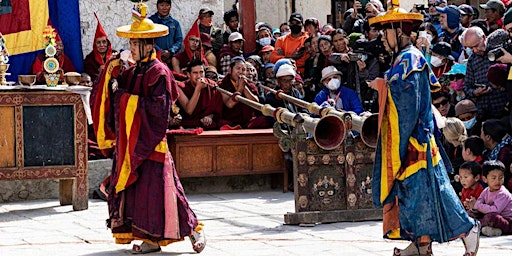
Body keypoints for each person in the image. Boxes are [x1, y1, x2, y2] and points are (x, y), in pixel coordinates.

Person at [91, 3, 205, 253]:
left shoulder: (159, 72)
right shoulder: (134, 71)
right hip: (133, 142)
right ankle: (150, 238)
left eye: (135, 44)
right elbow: (114, 91)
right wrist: (112, 73)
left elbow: (157, 111)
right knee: (141, 194)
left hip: (151, 141)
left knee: (163, 192)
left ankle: (192, 228)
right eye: (130, 43)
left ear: (148, 45)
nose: (131, 49)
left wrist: (123, 98)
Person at [367, 2, 480, 255]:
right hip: (416, 140)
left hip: (413, 140)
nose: (382, 39)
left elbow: (407, 106)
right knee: (416, 197)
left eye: (385, 32)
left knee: (430, 193)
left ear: (398, 30)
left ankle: (468, 228)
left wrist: (383, 87)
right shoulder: (407, 58)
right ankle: (421, 244)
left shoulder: (409, 60)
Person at [218, 56, 269, 129]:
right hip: (230, 121)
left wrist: (244, 87)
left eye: (243, 69)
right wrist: (240, 89)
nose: (241, 72)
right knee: (221, 123)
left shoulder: (249, 84)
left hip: (248, 122)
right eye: (238, 68)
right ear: (230, 70)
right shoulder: (223, 85)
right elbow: (229, 104)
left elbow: (256, 103)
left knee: (265, 120)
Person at [466, 160, 512, 236]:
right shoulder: (486, 191)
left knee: (492, 217)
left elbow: (495, 210)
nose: (498, 181)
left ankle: (478, 227)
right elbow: (479, 204)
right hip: (489, 216)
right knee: (470, 213)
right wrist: (472, 206)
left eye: (501, 178)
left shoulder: (503, 193)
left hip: (507, 220)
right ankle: (489, 229)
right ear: (485, 179)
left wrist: (476, 205)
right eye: (493, 178)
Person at [175, 59, 223, 130]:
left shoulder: (212, 85)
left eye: (201, 72)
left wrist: (210, 116)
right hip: (189, 125)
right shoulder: (181, 87)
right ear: (188, 74)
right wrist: (198, 89)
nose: (199, 76)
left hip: (208, 125)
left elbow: (216, 110)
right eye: (195, 73)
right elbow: (189, 111)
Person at [84, 13, 113, 83]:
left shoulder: (114, 55)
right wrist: (100, 72)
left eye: (104, 42)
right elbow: (91, 77)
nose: (101, 45)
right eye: (98, 42)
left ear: (107, 43)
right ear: (95, 45)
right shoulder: (89, 59)